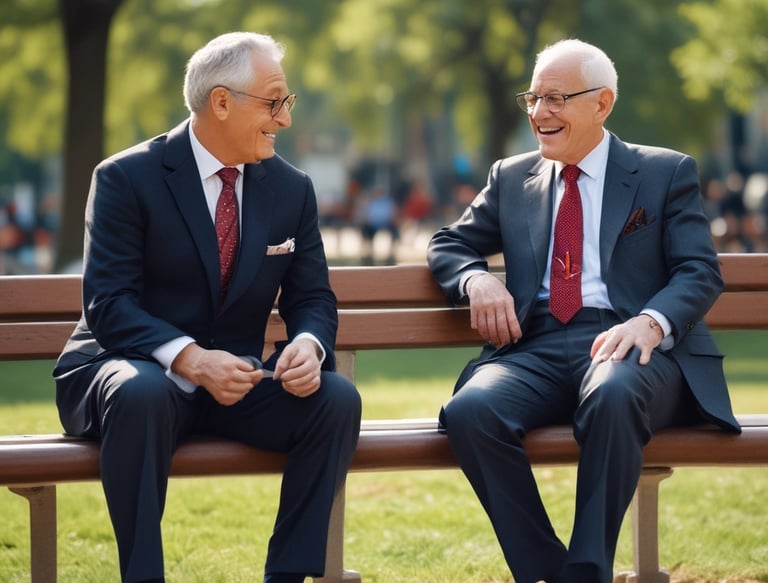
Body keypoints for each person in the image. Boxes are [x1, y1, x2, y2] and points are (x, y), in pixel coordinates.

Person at [427, 39, 740, 583]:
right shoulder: (511, 176)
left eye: (555, 98)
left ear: (602, 103)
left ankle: (588, 567)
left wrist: (651, 320)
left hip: (635, 347)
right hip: (536, 347)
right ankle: (551, 571)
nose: (538, 113)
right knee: (469, 411)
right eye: (533, 97)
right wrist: (476, 279)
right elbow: (448, 243)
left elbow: (699, 270)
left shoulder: (663, 172)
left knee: (613, 392)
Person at [53, 32, 361, 583]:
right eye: (274, 103)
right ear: (222, 102)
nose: (284, 120)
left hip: (235, 383)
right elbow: (108, 304)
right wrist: (191, 359)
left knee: (335, 398)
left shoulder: (293, 189)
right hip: (126, 371)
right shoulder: (125, 178)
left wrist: (309, 347)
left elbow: (311, 296)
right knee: (143, 390)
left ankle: (288, 576)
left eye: (285, 103)